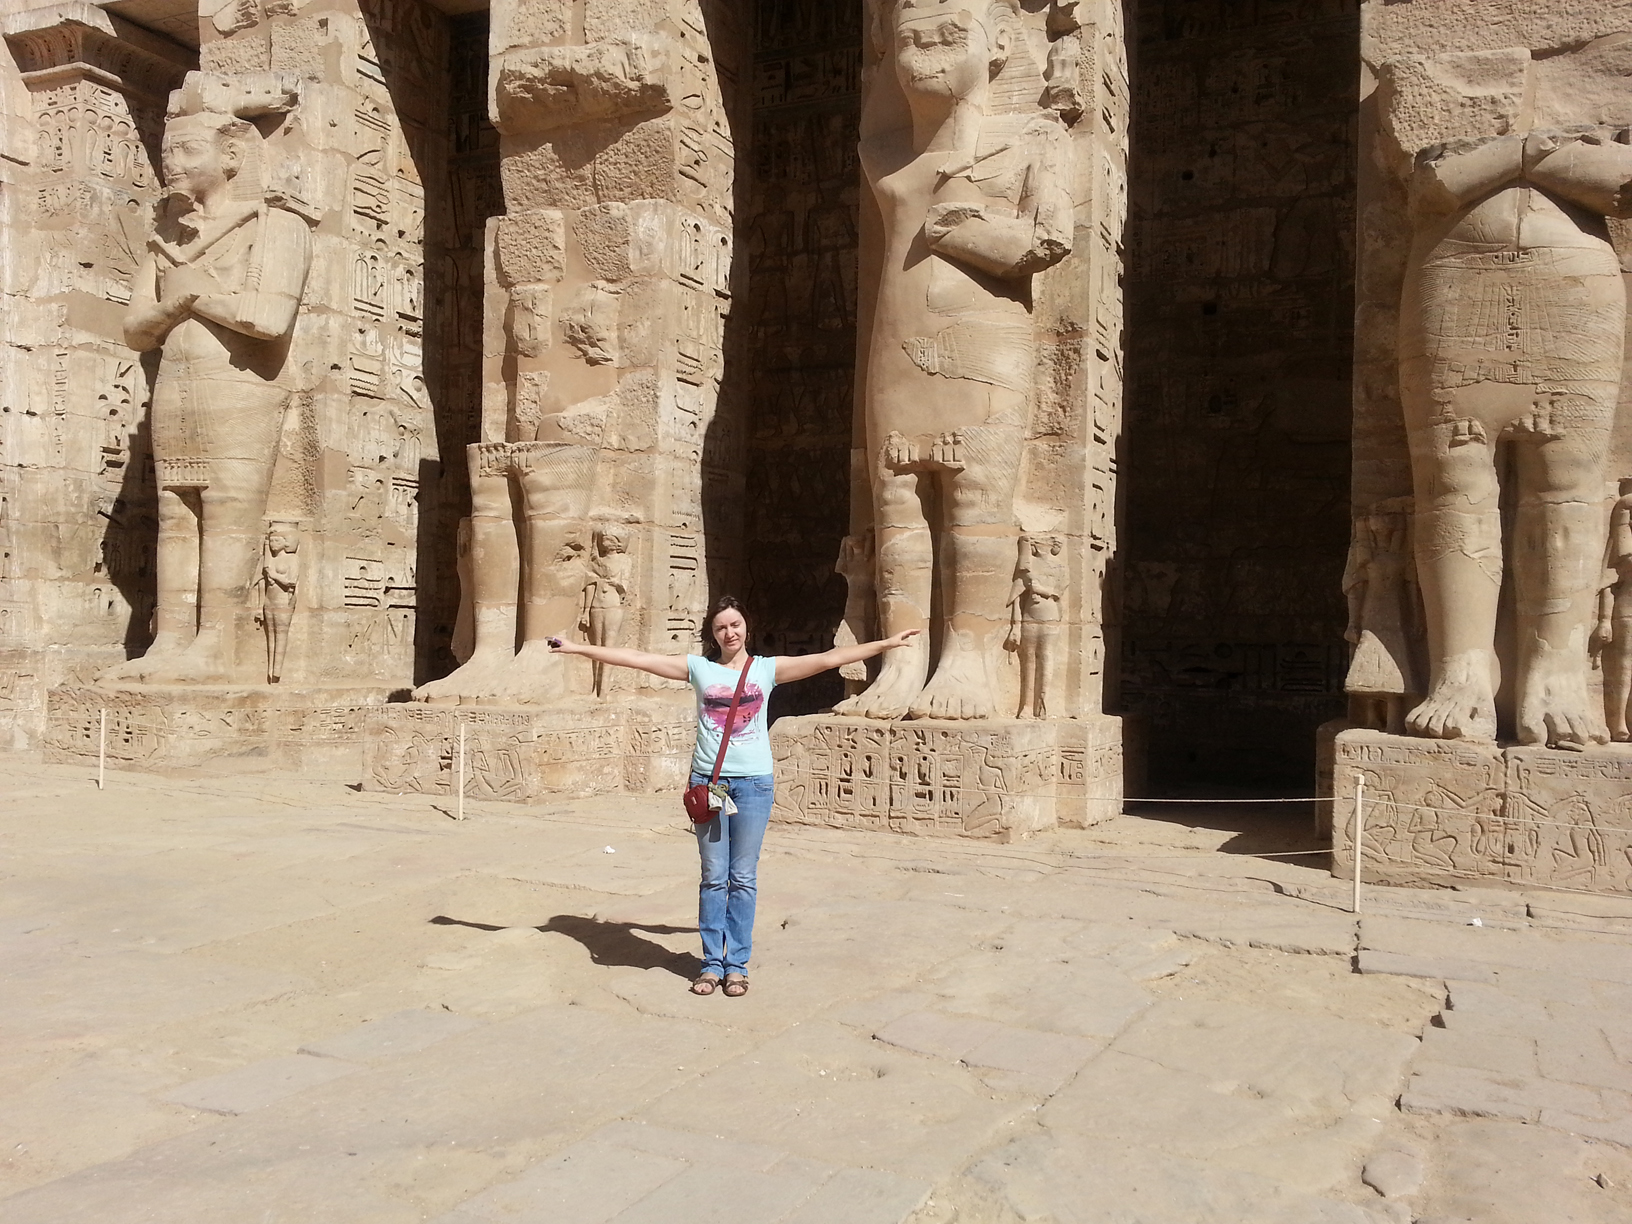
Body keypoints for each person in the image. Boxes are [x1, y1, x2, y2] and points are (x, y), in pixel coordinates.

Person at [550, 596, 917, 996]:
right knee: (713, 876)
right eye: (722, 627)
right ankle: (710, 964)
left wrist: (887, 644)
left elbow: (830, 658)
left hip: (754, 783)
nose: (730, 632)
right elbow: (636, 658)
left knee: (742, 877)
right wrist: (578, 648)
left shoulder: (766, 670)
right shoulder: (699, 669)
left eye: (736, 625)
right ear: (713, 633)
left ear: (747, 628)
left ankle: (736, 964)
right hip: (710, 783)